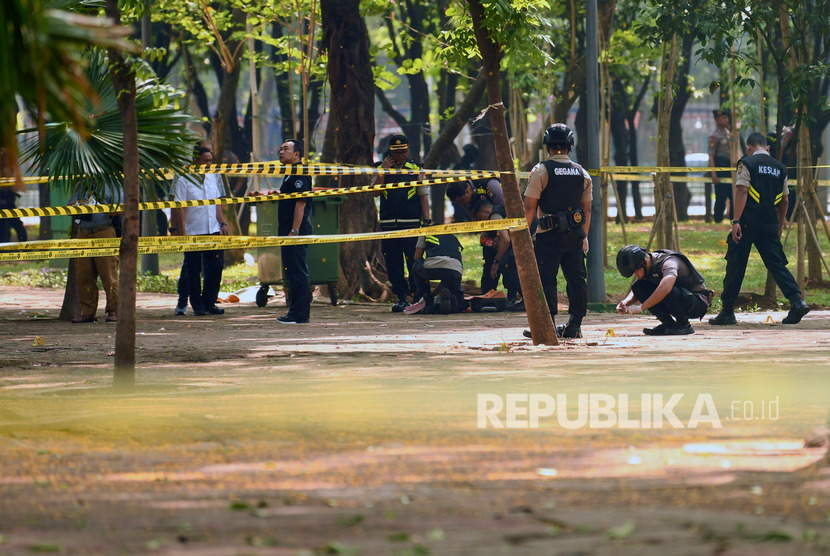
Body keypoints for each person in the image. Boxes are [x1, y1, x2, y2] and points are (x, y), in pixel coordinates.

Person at [709, 132, 810, 326]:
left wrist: (736, 220)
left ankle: (728, 311)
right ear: (767, 148)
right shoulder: (780, 168)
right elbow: (785, 200)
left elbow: (742, 190)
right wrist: (780, 225)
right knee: (777, 265)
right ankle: (797, 301)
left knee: (736, 265)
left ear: (749, 147)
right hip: (770, 224)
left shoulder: (746, 163)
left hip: (747, 223)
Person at [523, 123, 592, 338]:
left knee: (547, 280)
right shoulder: (582, 173)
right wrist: (584, 237)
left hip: (548, 236)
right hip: (574, 236)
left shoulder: (541, 170)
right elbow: (587, 210)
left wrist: (524, 236)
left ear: (548, 146)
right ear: (569, 145)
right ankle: (575, 325)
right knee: (576, 280)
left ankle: (547, 325)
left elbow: (529, 207)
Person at [373, 134, 430, 312]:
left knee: (414, 261)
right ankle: (401, 297)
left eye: (403, 152)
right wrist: (383, 171)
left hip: (411, 222)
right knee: (393, 262)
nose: (400, 156)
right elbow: (375, 193)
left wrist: (427, 219)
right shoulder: (380, 168)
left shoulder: (416, 168)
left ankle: (418, 296)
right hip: (389, 224)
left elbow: (423, 194)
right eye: (396, 153)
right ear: (389, 152)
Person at [174, 142, 230, 316]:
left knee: (216, 267)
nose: (209, 164)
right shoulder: (183, 179)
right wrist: (182, 232)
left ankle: (209, 302)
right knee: (193, 270)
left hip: (213, 229)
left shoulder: (214, 176)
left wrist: (222, 223)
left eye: (210, 161)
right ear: (196, 160)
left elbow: (217, 201)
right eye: (205, 161)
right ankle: (197, 305)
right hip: (193, 231)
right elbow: (180, 207)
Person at [615, 244, 713, 335]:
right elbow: (637, 291)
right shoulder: (646, 267)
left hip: (697, 303)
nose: (636, 275)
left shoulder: (668, 262)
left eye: (636, 271)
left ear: (644, 262)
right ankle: (668, 324)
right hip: (680, 297)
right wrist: (625, 302)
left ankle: (684, 325)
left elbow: (666, 288)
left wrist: (641, 308)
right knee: (638, 286)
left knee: (666, 289)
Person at [69, 181, 123, 323]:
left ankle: (114, 311)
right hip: (84, 233)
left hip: (104, 231)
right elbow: (69, 206)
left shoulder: (113, 184)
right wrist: (79, 205)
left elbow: (120, 209)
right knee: (84, 274)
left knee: (108, 273)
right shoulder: (81, 185)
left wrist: (98, 207)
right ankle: (88, 313)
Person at [276, 139, 312, 324]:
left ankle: (300, 315)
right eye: (281, 149)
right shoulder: (289, 173)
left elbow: (301, 203)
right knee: (292, 272)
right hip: (287, 231)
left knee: (298, 272)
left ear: (296, 154)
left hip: (296, 232)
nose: (281, 152)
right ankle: (294, 312)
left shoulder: (299, 173)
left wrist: (295, 230)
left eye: (286, 149)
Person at [473, 199, 522, 310]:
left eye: (481, 219)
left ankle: (521, 299)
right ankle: (509, 298)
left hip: (523, 243)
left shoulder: (494, 216)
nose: (483, 224)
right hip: (521, 241)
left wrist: (497, 261)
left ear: (485, 211)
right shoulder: (501, 211)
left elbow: (506, 240)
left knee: (507, 266)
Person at [404, 234, 467, 315]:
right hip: (456, 269)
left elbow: (417, 257)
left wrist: (430, 295)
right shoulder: (453, 237)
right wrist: (435, 293)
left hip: (432, 267)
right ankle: (452, 303)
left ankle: (428, 301)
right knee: (452, 291)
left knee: (416, 266)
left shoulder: (425, 234)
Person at [708, 109, 744, 223]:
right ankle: (718, 220)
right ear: (717, 120)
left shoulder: (730, 133)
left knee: (733, 195)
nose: (726, 120)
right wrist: (714, 174)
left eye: (726, 117)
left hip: (731, 169)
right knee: (721, 197)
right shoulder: (714, 136)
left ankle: (733, 220)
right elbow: (711, 157)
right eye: (723, 118)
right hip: (720, 167)